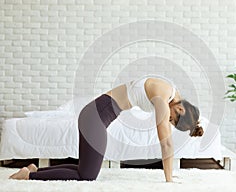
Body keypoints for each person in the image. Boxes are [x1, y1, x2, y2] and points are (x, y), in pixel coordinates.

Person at [9, 75, 203, 182]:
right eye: (171, 119)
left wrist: (191, 124)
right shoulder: (163, 98)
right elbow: (166, 143)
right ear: (179, 108)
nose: (167, 120)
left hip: (95, 117)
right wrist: (168, 179)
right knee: (88, 176)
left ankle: (36, 169)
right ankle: (29, 175)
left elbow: (170, 135)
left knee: (85, 169)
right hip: (94, 117)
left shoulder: (172, 91)